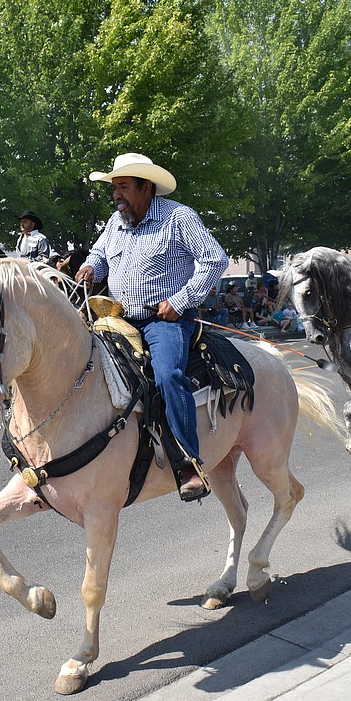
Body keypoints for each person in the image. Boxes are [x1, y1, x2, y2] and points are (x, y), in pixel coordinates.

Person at [76, 152, 227, 502]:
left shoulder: (178, 217)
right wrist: (89, 270)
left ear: (146, 187)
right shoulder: (116, 222)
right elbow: (99, 256)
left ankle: (189, 462)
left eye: (124, 187)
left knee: (167, 375)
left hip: (165, 320)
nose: (116, 195)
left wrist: (180, 300)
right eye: (114, 188)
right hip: (117, 317)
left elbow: (215, 259)